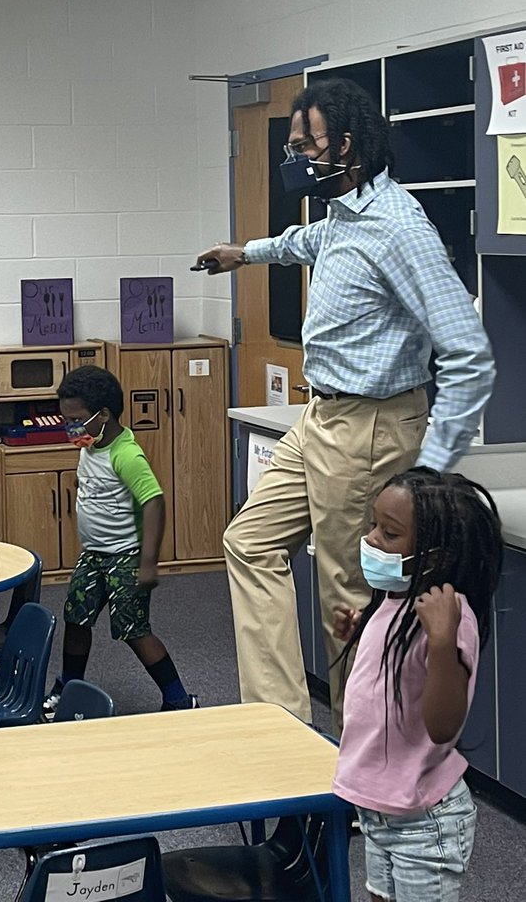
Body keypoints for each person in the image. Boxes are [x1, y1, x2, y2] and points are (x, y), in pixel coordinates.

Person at [195, 77, 495, 731]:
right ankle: (283, 731)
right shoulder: (342, 218)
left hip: (372, 428)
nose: (292, 157)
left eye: (304, 144)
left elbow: (470, 356)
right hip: (322, 418)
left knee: (348, 602)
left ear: (349, 146)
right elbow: (305, 246)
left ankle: (367, 773)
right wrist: (243, 254)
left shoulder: (398, 228)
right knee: (249, 542)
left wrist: (426, 474)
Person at [333, 468, 503, 902]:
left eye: (388, 534)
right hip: (380, 809)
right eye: (374, 525)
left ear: (433, 556)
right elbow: (392, 686)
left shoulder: (448, 615)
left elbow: (444, 726)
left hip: (424, 822)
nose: (371, 540)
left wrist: (443, 642)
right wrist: (362, 633)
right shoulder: (397, 599)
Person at [43, 366, 197, 717]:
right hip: (94, 555)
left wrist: (149, 562)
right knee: (76, 620)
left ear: (104, 415)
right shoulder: (91, 444)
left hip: (125, 557)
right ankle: (69, 686)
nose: (71, 427)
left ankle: (178, 698)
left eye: (78, 419)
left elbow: (154, 501)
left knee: (133, 630)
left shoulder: (126, 454)